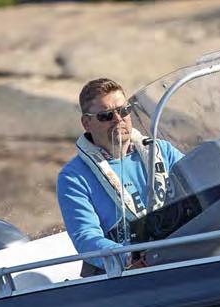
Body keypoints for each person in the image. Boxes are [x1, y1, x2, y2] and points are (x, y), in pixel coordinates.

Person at [57, 78, 183, 272]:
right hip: (125, 275)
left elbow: (200, 181)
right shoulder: (73, 177)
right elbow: (86, 237)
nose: (118, 119)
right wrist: (129, 257)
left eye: (124, 110)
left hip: (179, 252)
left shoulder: (162, 151)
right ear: (86, 123)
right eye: (106, 115)